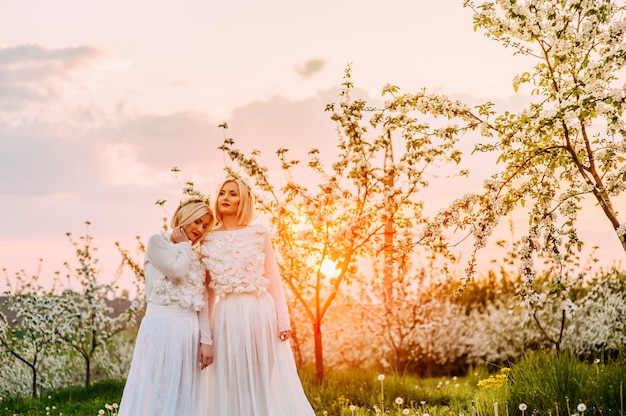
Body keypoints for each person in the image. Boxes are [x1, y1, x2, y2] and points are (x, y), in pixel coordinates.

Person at [200, 177, 315, 416]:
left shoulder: (259, 233)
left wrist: (283, 320)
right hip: (227, 316)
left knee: (262, 379)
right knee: (232, 380)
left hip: (260, 313)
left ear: (244, 199)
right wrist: (206, 338)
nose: (225, 198)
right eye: (222, 193)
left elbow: (273, 278)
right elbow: (207, 294)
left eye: (232, 193)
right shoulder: (208, 239)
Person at [119, 198, 215, 416]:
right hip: (161, 327)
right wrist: (183, 246)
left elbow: (203, 300)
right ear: (183, 217)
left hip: (189, 331)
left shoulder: (197, 256)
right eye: (197, 222)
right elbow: (177, 271)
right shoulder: (157, 242)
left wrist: (206, 341)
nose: (199, 229)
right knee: (158, 388)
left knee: (185, 390)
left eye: (204, 226)